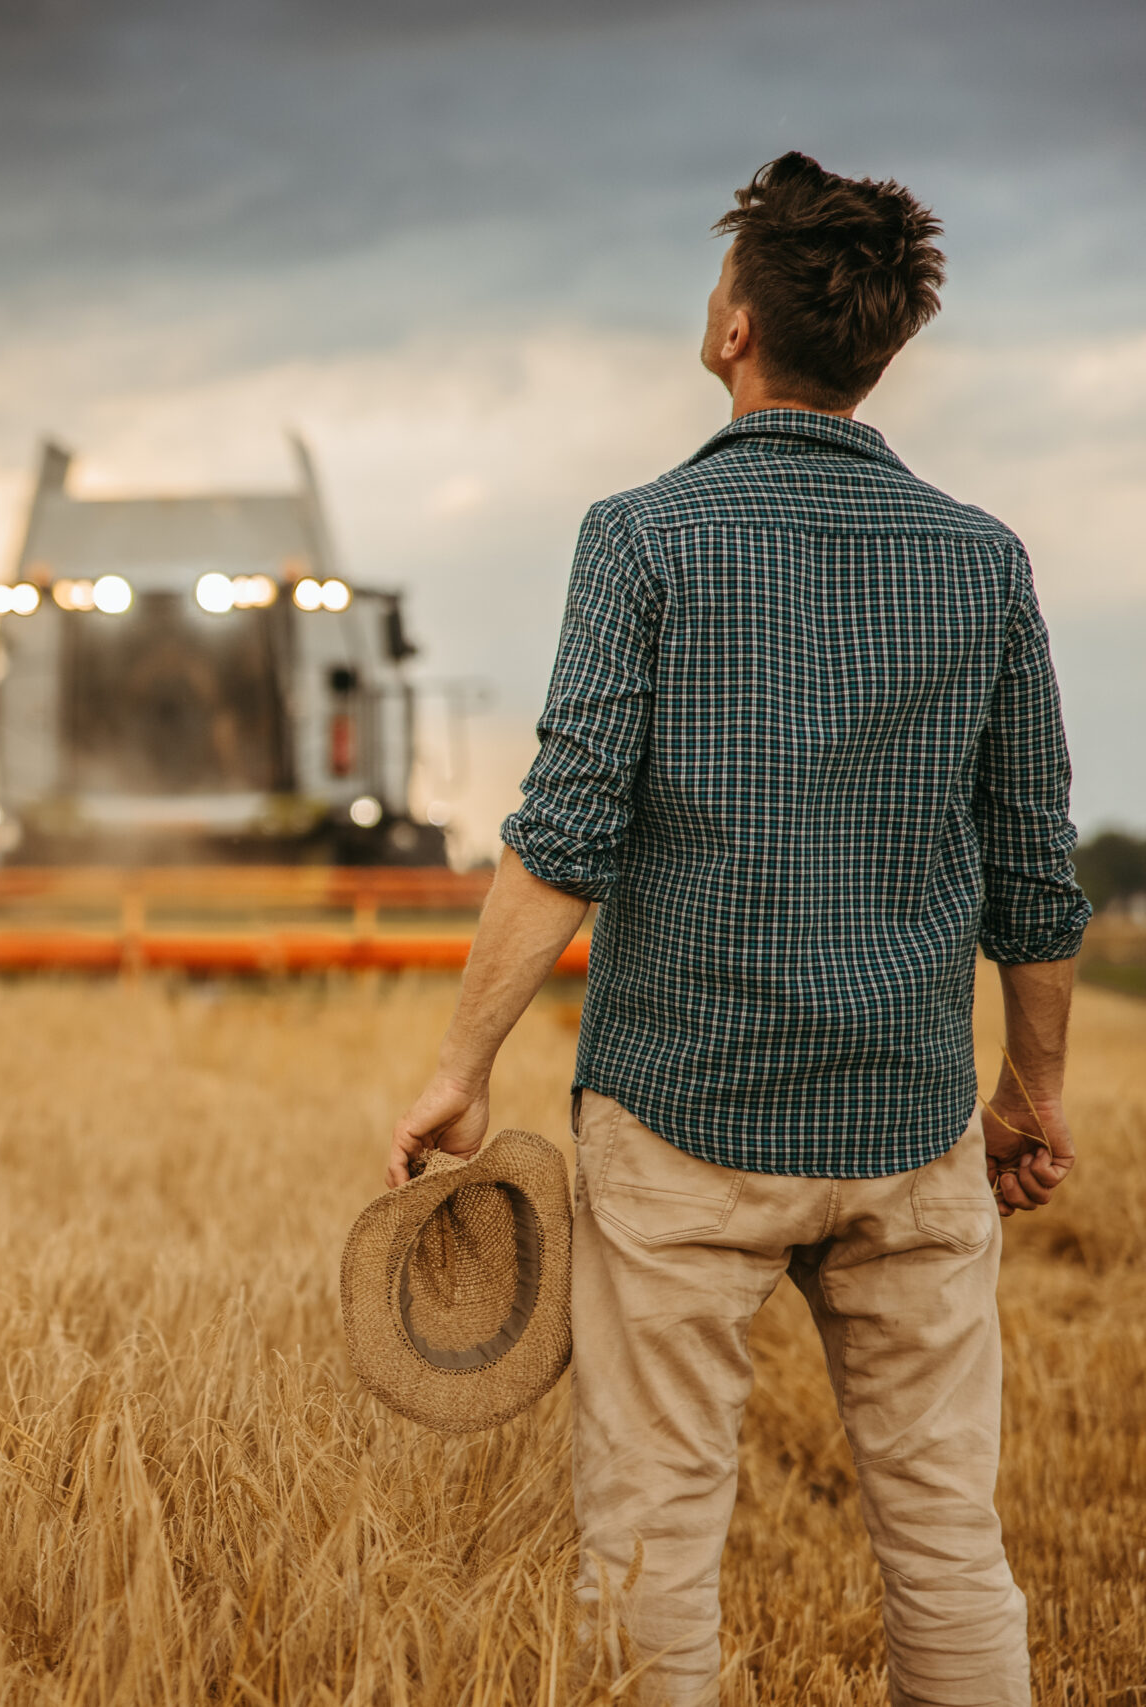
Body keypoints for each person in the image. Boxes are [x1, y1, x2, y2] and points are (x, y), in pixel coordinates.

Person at [389, 152, 1091, 1706]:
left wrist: (461, 1067)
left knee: (650, 1549)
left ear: (732, 330)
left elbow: (562, 838)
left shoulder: (641, 542)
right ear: (884, 347)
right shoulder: (983, 561)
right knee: (949, 1550)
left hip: (683, 1127)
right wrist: (1032, 1096)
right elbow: (1034, 874)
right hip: (911, 1132)